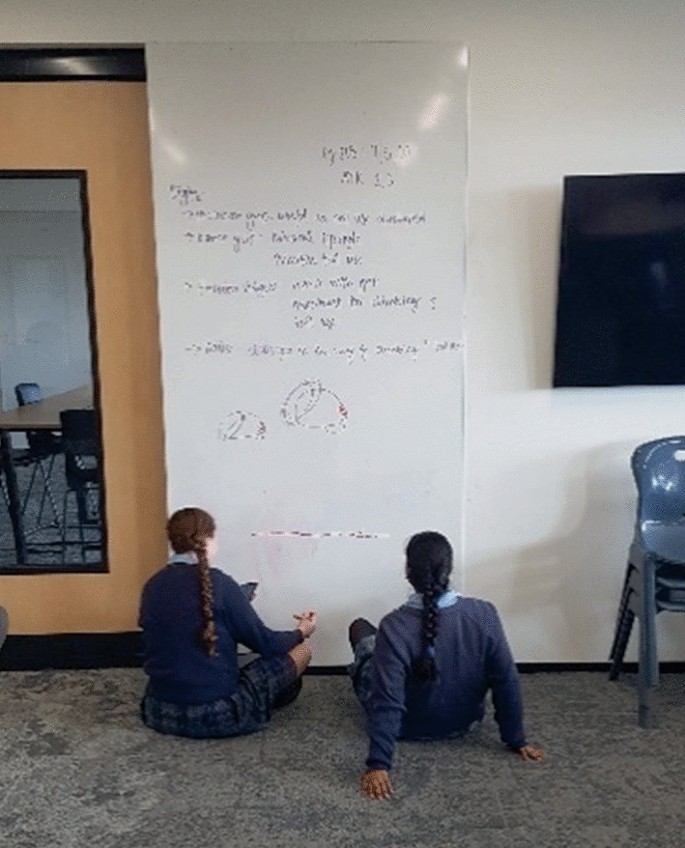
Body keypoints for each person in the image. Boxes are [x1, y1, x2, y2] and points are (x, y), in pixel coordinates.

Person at [348, 531, 543, 800]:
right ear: (449, 570)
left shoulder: (393, 626)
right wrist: (517, 739)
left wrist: (379, 764)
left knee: (359, 629)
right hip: (464, 722)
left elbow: (387, 700)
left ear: (408, 571)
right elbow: (506, 680)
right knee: (374, 639)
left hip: (408, 727)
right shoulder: (484, 613)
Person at [139, 506, 317, 738]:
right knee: (301, 651)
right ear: (207, 540)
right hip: (216, 714)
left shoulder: (153, 585)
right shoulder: (221, 584)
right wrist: (302, 631)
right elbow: (267, 643)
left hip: (160, 711)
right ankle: (258, 704)